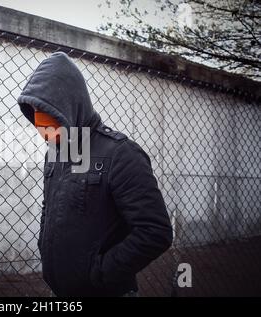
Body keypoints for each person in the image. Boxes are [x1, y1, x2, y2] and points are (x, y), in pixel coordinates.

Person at [17, 52, 173, 297]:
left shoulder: (120, 154)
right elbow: (50, 207)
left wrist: (99, 273)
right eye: (34, 111)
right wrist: (46, 249)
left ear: (71, 104)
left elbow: (155, 232)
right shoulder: (58, 152)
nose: (41, 124)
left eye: (47, 112)